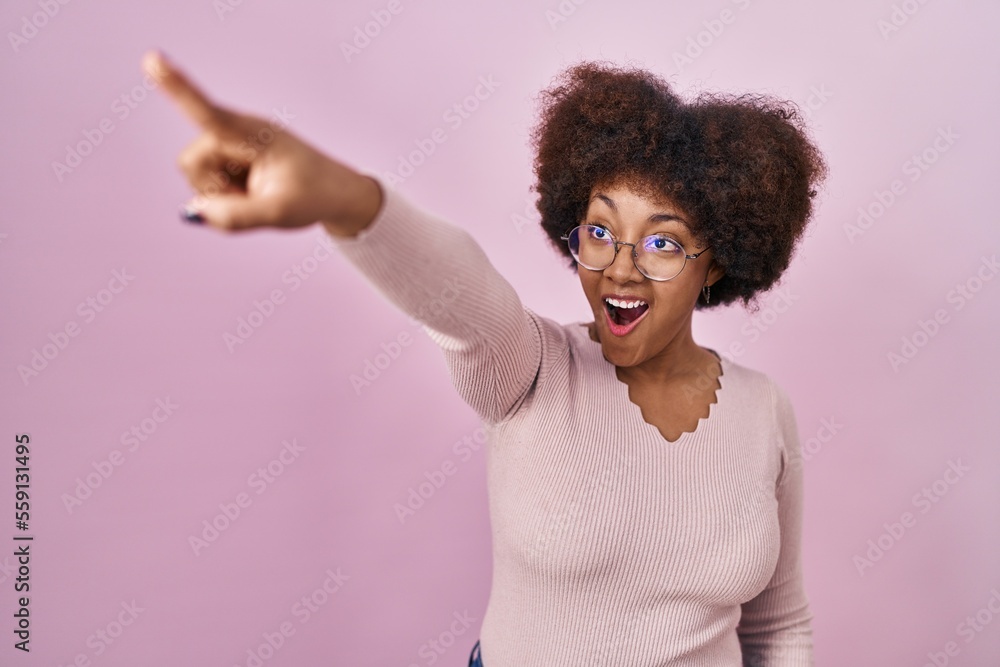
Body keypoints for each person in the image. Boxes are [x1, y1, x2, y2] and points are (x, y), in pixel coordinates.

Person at [144, 50, 827, 666]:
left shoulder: (763, 408)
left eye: (662, 243)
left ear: (716, 265)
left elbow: (778, 628)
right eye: (599, 231)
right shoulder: (527, 368)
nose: (620, 269)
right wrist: (337, 195)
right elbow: (454, 292)